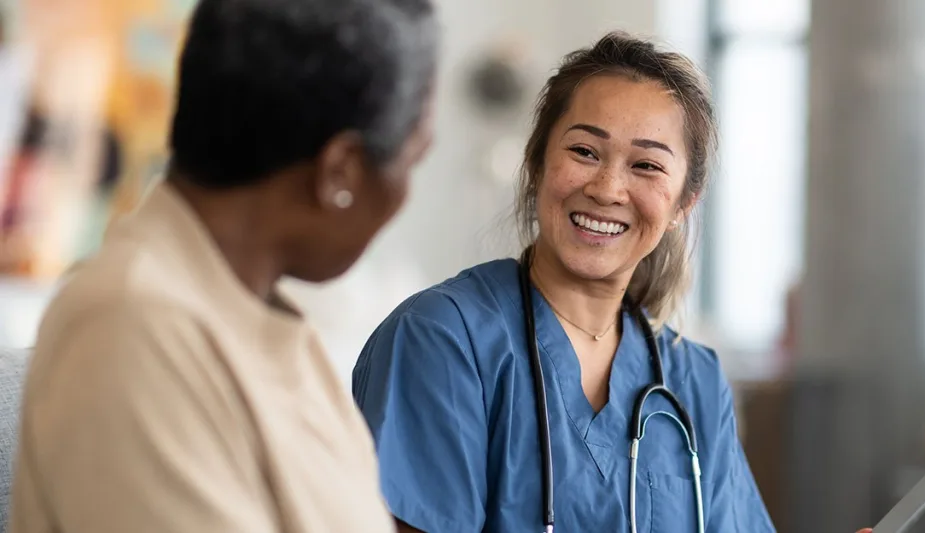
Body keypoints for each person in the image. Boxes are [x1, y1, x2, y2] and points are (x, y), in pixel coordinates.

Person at [353, 33, 872, 533]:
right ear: (536, 164)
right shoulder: (442, 341)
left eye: (646, 165)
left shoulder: (693, 380)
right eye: (584, 151)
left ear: (681, 205)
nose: (607, 188)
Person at [8, 0, 437, 531]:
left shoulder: (261, 320)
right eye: (411, 160)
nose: (404, 196)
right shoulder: (133, 326)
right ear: (342, 173)